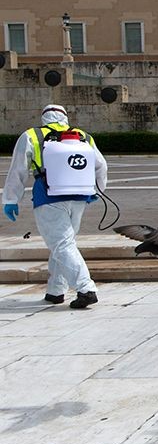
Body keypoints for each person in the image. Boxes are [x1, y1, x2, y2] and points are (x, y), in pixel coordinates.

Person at [3, 104, 108, 307]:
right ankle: (56, 290)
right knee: (63, 243)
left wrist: (11, 199)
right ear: (65, 118)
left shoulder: (32, 135)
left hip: (49, 196)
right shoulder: (82, 136)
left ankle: (86, 288)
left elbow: (18, 169)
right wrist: (97, 190)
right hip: (79, 197)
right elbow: (101, 164)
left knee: (61, 244)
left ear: (44, 118)